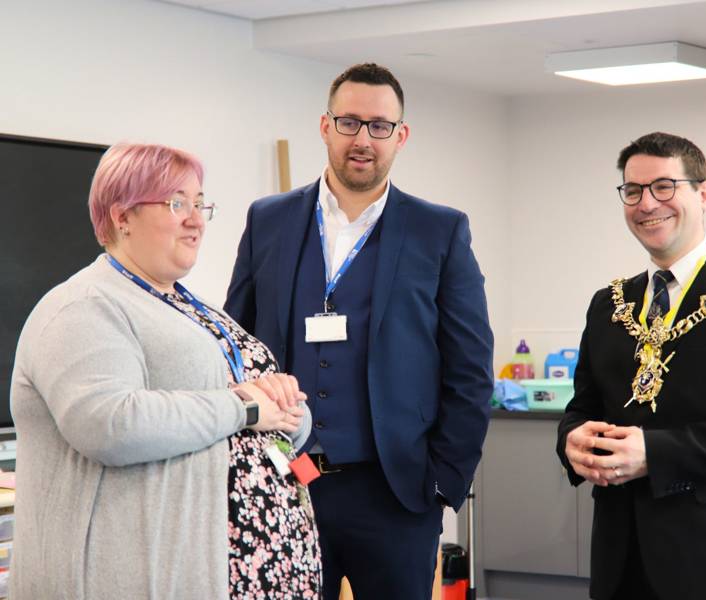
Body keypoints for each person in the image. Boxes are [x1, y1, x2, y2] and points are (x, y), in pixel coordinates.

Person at [225, 62, 494, 599]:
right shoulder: (269, 219)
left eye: (379, 126)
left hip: (396, 494)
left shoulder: (438, 230)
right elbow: (237, 346)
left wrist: (443, 483)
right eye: (349, 123)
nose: (363, 139)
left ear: (401, 136)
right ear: (325, 127)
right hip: (287, 483)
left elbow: (470, 369)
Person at [9, 143, 321, 599]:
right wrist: (246, 407)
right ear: (122, 216)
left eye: (199, 204)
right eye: (177, 203)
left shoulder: (199, 311)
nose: (195, 219)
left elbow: (272, 413)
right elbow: (111, 424)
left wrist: (289, 409)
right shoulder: (82, 307)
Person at [556, 131, 706, 600]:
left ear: (704, 193)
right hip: (621, 561)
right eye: (633, 191)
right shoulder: (607, 304)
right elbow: (582, 406)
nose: (647, 204)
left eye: (664, 187)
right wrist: (572, 438)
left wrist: (654, 452)